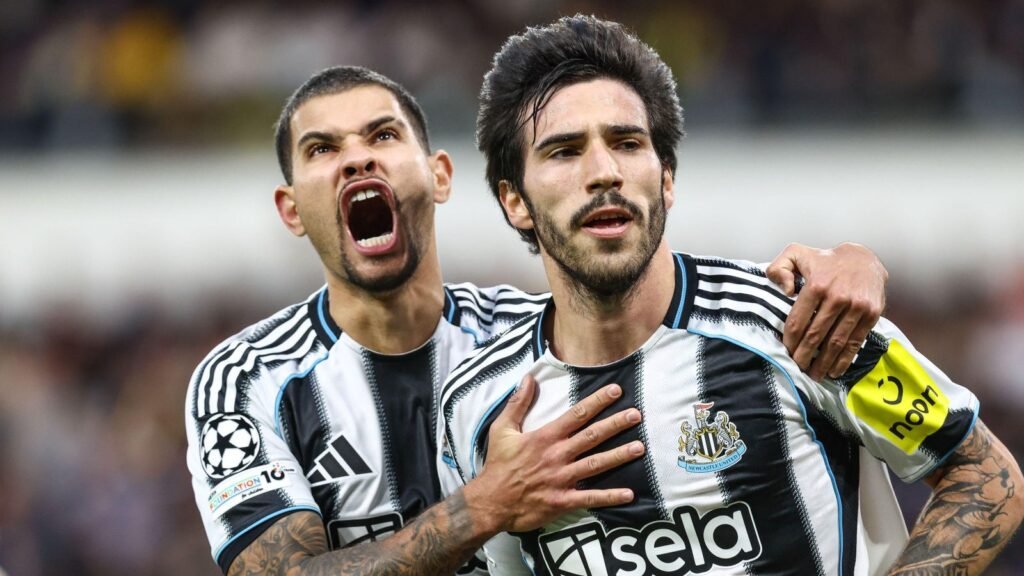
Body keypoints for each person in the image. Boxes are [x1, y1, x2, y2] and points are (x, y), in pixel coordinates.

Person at [185, 65, 891, 576]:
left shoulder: (528, 338)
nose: (357, 158)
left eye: (382, 135)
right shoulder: (246, 381)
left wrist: (847, 264)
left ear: (439, 175)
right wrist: (483, 507)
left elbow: (673, 305)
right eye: (322, 149)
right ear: (290, 209)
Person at [439, 15, 1023, 576]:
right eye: (565, 151)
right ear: (514, 200)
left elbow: (984, 475)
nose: (604, 171)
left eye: (627, 143)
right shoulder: (478, 402)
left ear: (666, 178)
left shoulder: (791, 321)